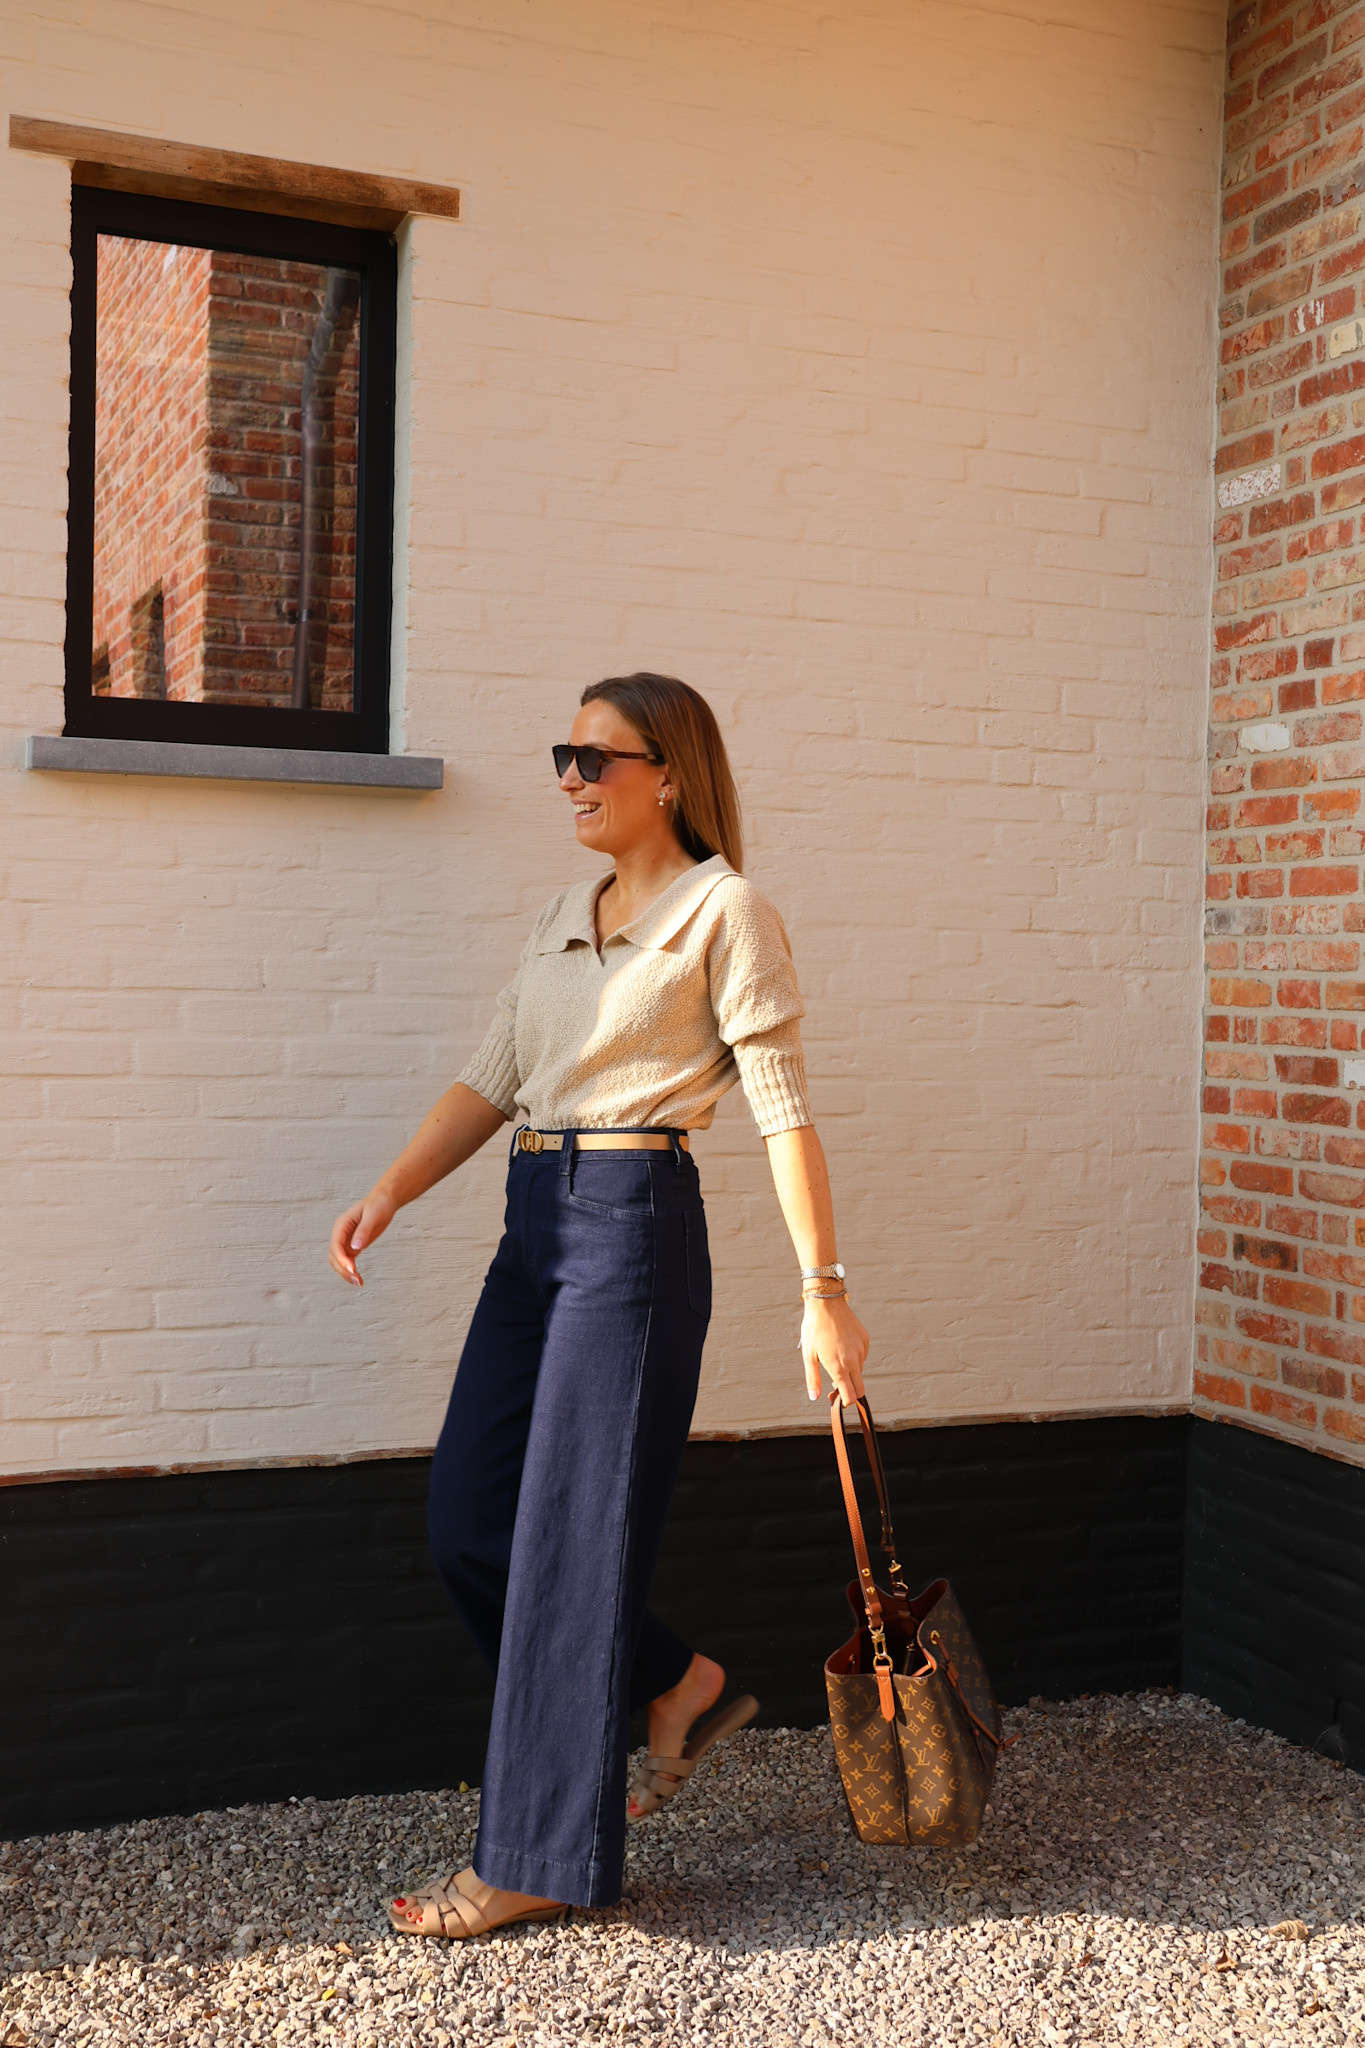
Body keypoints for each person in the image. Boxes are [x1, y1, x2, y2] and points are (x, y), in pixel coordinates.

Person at [328, 672, 869, 1939]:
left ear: (667, 774)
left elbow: (785, 1110)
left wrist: (822, 1292)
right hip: (535, 1222)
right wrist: (391, 1189)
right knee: (469, 1520)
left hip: (633, 1228)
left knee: (572, 1545)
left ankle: (535, 1855)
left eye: (596, 757)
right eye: (563, 755)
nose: (570, 777)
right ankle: (676, 1675)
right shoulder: (561, 913)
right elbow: (494, 1076)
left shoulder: (725, 911)